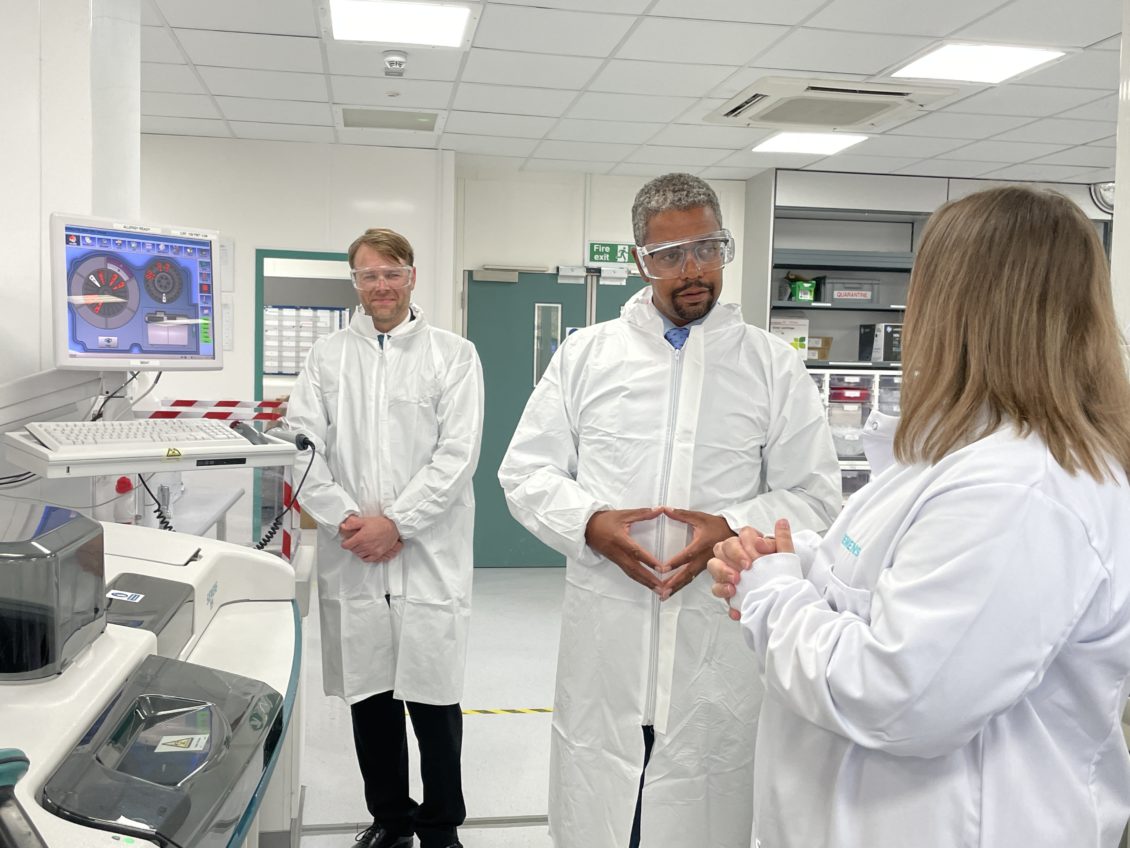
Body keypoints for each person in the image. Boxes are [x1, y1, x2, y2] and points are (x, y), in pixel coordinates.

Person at [709, 185, 1130, 848]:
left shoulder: (1021, 490)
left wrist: (773, 595)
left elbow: (900, 697)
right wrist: (792, 560)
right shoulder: (957, 456)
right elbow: (881, 574)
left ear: (955, 305)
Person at [497, 173, 841, 847]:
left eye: (708, 249)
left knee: (701, 807)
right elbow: (526, 471)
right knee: (604, 806)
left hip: (716, 640)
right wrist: (589, 523)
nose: (693, 271)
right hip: (609, 634)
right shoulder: (588, 355)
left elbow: (816, 496)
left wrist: (731, 527)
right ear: (639, 261)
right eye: (670, 255)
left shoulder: (771, 365)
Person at [284, 228, 484, 848]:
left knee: (434, 699)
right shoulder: (327, 357)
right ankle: (391, 821)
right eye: (368, 275)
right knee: (370, 700)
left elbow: (457, 455)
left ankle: (441, 827)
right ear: (355, 282)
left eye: (392, 273)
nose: (381, 285)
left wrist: (398, 523)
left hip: (426, 551)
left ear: (412, 276)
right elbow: (301, 449)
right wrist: (349, 521)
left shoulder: (453, 355)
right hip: (355, 554)